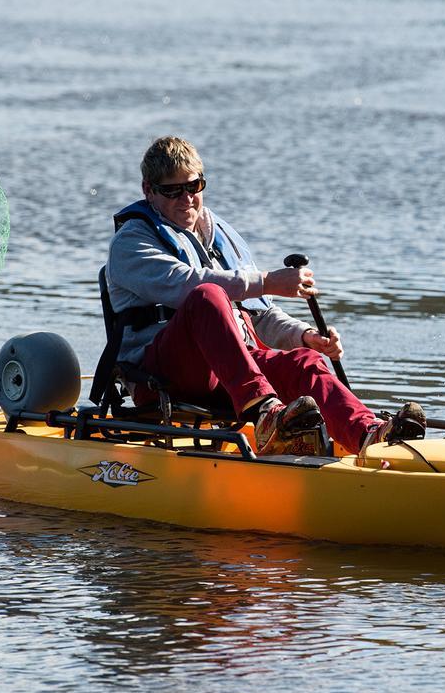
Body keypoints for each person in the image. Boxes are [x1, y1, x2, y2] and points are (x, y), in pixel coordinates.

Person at [106, 135, 426, 458]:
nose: (186, 199)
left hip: (227, 374)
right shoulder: (130, 244)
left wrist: (304, 335)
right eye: (172, 191)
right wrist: (269, 281)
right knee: (207, 296)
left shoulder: (217, 235)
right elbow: (187, 284)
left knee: (306, 362)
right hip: (160, 378)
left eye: (193, 187)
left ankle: (368, 434)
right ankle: (267, 417)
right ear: (148, 190)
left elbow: (260, 314)